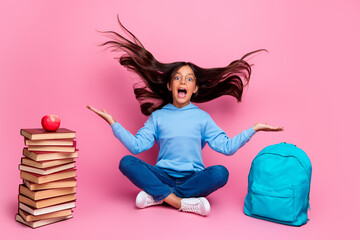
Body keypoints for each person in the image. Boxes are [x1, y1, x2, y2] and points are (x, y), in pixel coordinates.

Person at [88, 18, 283, 216]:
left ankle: (158, 196)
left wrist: (253, 129)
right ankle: (181, 202)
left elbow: (227, 147)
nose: (183, 81)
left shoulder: (202, 118)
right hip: (162, 175)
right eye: (178, 78)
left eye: (189, 79)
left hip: (193, 179)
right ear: (170, 85)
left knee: (220, 173)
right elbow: (137, 146)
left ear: (195, 88)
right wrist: (113, 123)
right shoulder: (158, 117)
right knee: (127, 162)